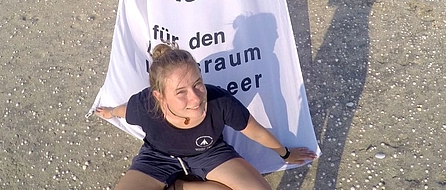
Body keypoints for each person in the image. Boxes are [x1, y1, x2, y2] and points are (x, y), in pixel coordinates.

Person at [95, 44, 316, 189]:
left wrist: (285, 153)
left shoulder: (220, 102)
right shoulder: (145, 104)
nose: (196, 98)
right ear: (160, 97)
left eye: (197, 84)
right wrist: (110, 112)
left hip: (209, 153)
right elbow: (124, 110)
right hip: (157, 158)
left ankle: (179, 186)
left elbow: (256, 132)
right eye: (181, 92)